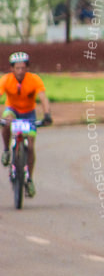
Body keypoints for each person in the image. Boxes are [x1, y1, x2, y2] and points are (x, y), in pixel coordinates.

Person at [1, 52, 53, 197]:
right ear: (12, 69)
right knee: (6, 122)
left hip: (29, 114)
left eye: (23, 68)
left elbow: (43, 97)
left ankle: (28, 178)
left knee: (30, 147)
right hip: (12, 110)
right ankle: (6, 150)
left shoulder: (34, 80)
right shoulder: (5, 80)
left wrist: (47, 114)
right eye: (17, 68)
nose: (20, 71)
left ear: (27, 68)